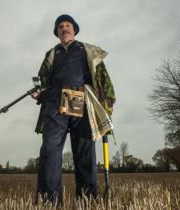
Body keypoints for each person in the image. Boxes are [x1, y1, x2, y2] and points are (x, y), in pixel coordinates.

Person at [31, 14, 116, 206]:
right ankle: (49, 201)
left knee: (84, 151)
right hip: (55, 102)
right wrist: (39, 94)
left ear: (74, 29)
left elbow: (105, 82)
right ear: (57, 32)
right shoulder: (52, 54)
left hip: (81, 99)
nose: (64, 28)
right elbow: (42, 82)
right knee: (50, 149)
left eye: (67, 25)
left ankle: (87, 200)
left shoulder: (88, 50)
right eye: (60, 26)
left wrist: (107, 110)